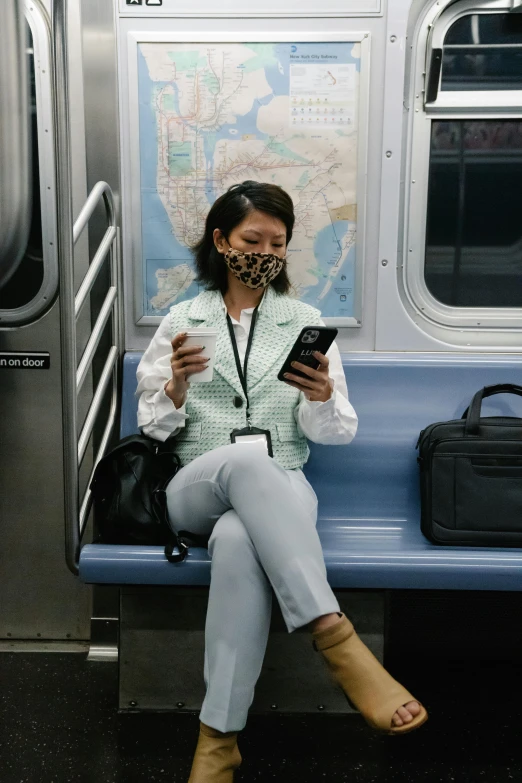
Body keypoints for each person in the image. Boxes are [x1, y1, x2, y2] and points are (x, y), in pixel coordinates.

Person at [136, 181, 427, 782]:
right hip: (196, 484)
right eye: (252, 239)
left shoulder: (306, 322)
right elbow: (153, 428)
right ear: (221, 241)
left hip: (282, 483)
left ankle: (217, 740)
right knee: (243, 462)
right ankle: (336, 639)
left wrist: (320, 398)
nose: (265, 252)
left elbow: (335, 433)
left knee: (243, 540)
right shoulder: (181, 320)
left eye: (278, 242)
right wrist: (176, 388)